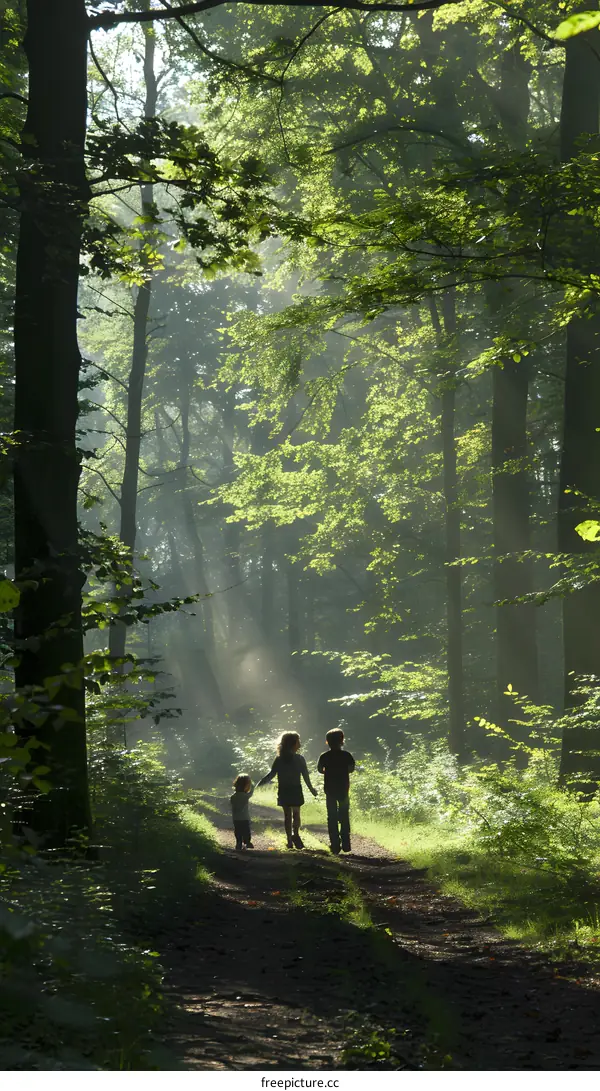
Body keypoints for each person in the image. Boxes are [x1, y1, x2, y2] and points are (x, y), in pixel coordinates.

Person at [257, 731, 318, 849]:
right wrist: (311, 789)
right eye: (298, 741)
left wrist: (260, 783)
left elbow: (271, 774)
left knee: (287, 816)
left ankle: (289, 840)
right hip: (296, 789)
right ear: (293, 744)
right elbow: (306, 776)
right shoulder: (300, 759)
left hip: (284, 790)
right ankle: (296, 834)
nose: (300, 743)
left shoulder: (279, 759)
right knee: (296, 813)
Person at [317, 727, 355, 854]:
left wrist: (327, 771)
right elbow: (351, 769)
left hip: (330, 790)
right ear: (342, 741)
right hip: (343, 789)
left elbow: (319, 769)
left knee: (331, 816)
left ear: (327, 741)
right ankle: (346, 843)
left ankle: (334, 844)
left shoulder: (324, 756)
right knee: (344, 815)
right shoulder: (347, 755)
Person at [230, 773, 254, 850]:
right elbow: (251, 793)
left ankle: (238, 843)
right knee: (246, 831)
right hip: (245, 817)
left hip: (236, 818)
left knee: (238, 831)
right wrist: (253, 785)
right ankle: (247, 842)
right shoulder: (246, 796)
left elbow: (233, 806)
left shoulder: (233, 796)